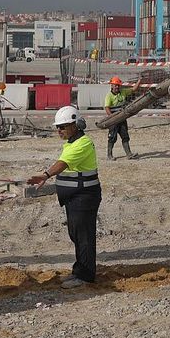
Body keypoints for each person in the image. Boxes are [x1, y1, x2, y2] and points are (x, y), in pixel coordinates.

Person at [28, 106, 100, 288]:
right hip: (75, 197)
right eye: (57, 127)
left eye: (63, 127)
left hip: (84, 197)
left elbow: (63, 163)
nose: (59, 130)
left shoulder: (83, 143)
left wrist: (45, 175)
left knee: (84, 237)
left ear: (75, 125)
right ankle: (79, 271)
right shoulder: (71, 143)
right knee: (77, 235)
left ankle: (85, 276)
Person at [104, 76, 134, 159]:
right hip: (114, 120)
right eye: (115, 85)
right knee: (112, 137)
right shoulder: (109, 96)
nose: (117, 87)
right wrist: (112, 117)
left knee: (125, 136)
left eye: (118, 85)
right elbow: (107, 108)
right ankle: (109, 155)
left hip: (122, 119)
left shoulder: (123, 92)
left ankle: (129, 154)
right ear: (112, 86)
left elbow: (134, 89)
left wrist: (139, 81)